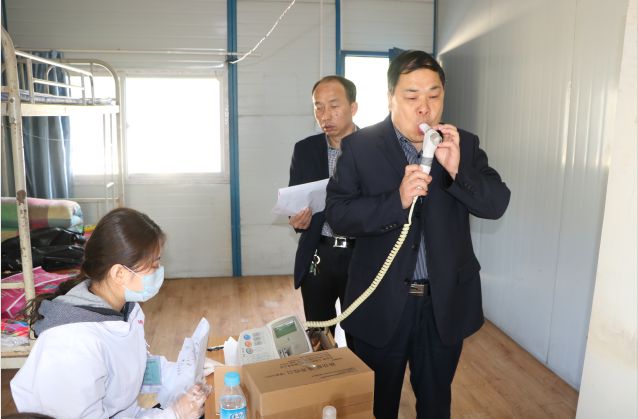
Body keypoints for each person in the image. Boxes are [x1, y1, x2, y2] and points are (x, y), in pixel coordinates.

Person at [325, 50, 511, 418]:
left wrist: (458, 171)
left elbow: (495, 204)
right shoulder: (361, 147)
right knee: (380, 405)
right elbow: (338, 214)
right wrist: (395, 201)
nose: (424, 108)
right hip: (381, 303)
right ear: (390, 97)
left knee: (436, 403)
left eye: (434, 95)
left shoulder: (463, 143)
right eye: (411, 96)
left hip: (443, 305)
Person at [10, 207, 211, 419]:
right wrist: (175, 414)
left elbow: (135, 368)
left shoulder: (124, 309)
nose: (159, 270)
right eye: (154, 264)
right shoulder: (72, 343)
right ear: (119, 273)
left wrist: (184, 373)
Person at [288, 75, 358, 346]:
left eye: (333, 106)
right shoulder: (305, 150)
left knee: (362, 334)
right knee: (319, 336)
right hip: (319, 253)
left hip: (362, 255)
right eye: (318, 107)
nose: (325, 115)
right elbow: (296, 201)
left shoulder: (375, 148)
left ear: (353, 107)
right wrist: (297, 220)